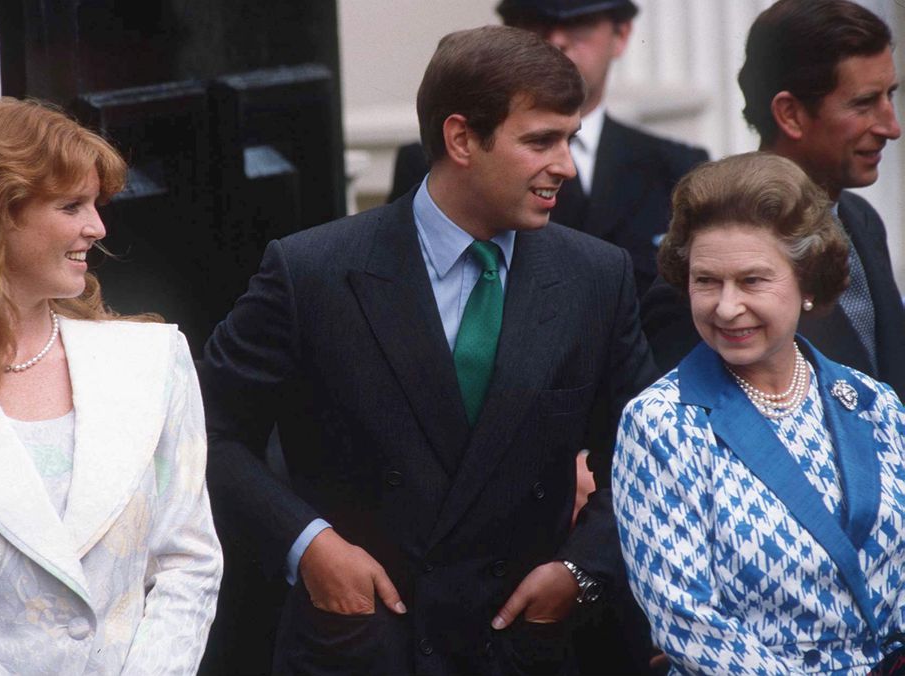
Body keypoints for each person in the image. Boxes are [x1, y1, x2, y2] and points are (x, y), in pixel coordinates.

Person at [202, 25, 655, 675]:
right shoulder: (312, 272)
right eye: (540, 141)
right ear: (461, 138)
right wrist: (310, 546)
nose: (566, 165)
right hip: (364, 647)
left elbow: (645, 458)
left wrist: (580, 570)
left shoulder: (597, 277)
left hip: (520, 648)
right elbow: (205, 432)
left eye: (569, 139)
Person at [0, 98, 223, 675]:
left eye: (95, 204)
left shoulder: (153, 361)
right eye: (71, 206)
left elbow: (188, 564)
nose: (97, 227)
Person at [613, 152, 905, 674]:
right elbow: (687, 620)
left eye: (752, 280)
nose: (726, 307)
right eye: (707, 281)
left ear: (807, 282)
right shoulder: (661, 423)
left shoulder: (872, 402)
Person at [641, 0, 905, 399]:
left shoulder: (861, 220)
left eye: (890, 95)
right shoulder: (701, 282)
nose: (891, 127)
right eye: (863, 103)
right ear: (790, 114)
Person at [388, 0, 708, 297]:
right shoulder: (435, 162)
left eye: (579, 23)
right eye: (535, 22)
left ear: (621, 34)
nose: (556, 40)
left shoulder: (677, 166)